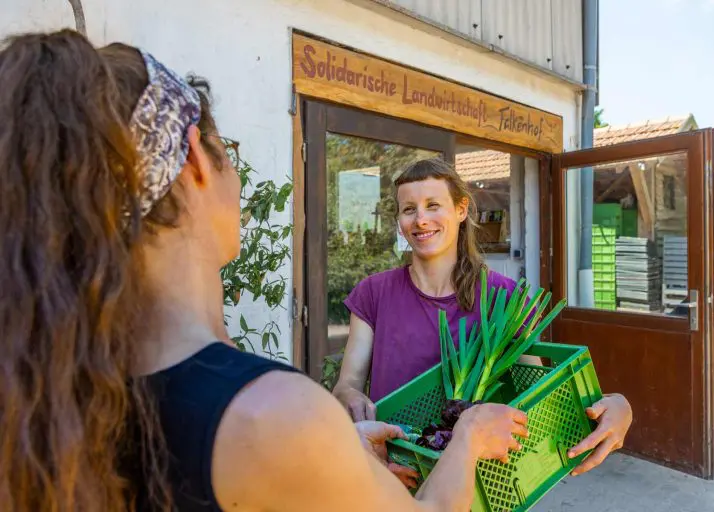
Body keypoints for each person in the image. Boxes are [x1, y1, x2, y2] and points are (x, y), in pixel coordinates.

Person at [0, 30, 530, 512]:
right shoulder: (270, 415)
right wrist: (468, 440)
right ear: (195, 163)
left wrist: (342, 458)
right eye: (225, 149)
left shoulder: (55, 389)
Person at [332, 158, 633, 476]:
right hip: (393, 467)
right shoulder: (374, 293)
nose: (421, 220)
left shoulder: (506, 300)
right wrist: (348, 394)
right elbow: (347, 384)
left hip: (481, 478)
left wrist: (616, 406)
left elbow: (539, 398)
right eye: (409, 209)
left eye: (433, 205)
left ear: (461, 210)